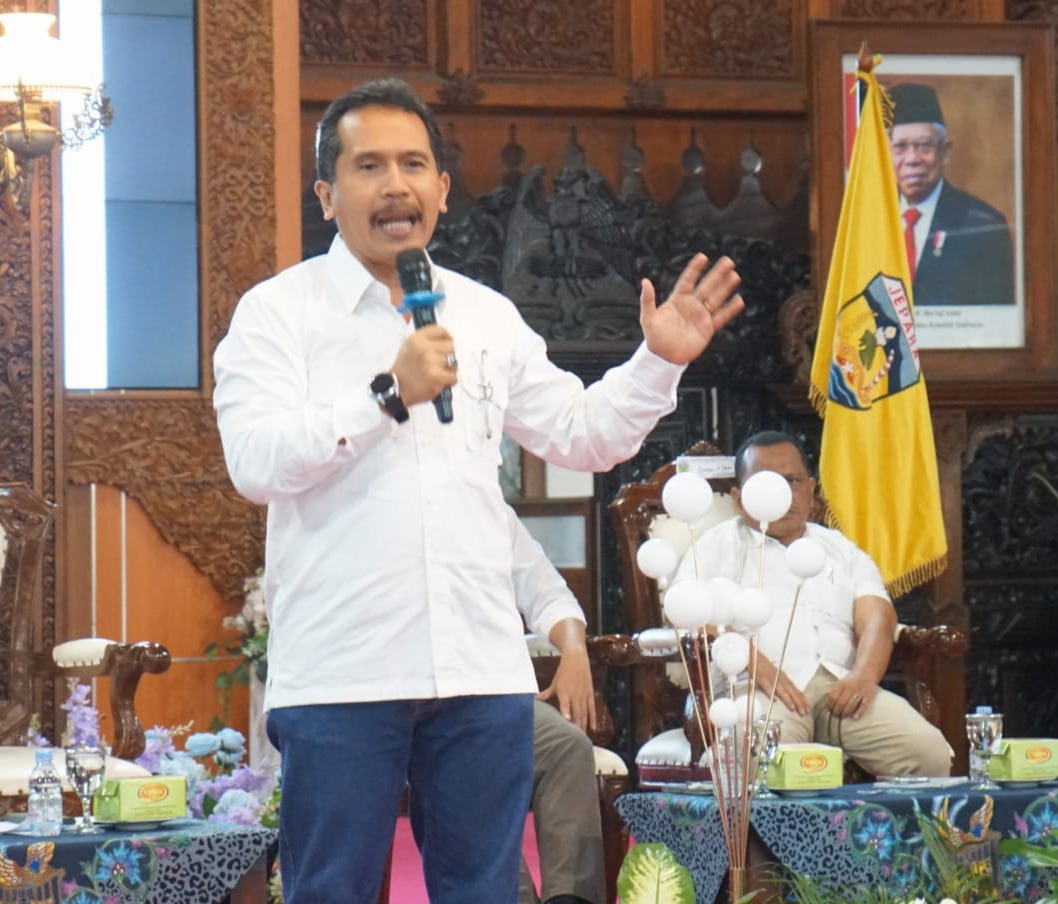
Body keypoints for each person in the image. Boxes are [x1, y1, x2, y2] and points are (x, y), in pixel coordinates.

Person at [213, 76, 742, 902]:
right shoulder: (277, 313)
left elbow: (583, 435)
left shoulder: (487, 315)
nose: (395, 186)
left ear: (441, 188)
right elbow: (255, 463)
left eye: (413, 165)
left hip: (480, 671)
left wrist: (658, 361)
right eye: (368, 166)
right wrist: (388, 394)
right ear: (326, 194)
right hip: (343, 671)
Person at [673, 430, 954, 777]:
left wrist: (864, 676)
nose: (782, 494)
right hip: (757, 692)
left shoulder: (841, 548)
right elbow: (685, 611)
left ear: (811, 489)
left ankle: (871, 818)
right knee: (750, 759)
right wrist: (753, 661)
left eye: (792, 481)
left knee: (928, 753)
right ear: (738, 498)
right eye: (765, 483)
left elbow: (878, 619)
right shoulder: (720, 543)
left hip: (841, 689)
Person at [510, 517, 605, 904]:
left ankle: (571, 898)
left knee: (567, 746)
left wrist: (574, 650)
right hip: (415, 703)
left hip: (499, 694)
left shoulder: (487, 507)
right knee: (464, 762)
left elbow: (549, 594)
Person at [886, 82, 1016, 307]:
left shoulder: (984, 227)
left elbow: (993, 316)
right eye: (900, 147)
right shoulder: (868, 223)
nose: (912, 159)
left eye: (924, 146)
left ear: (944, 153)